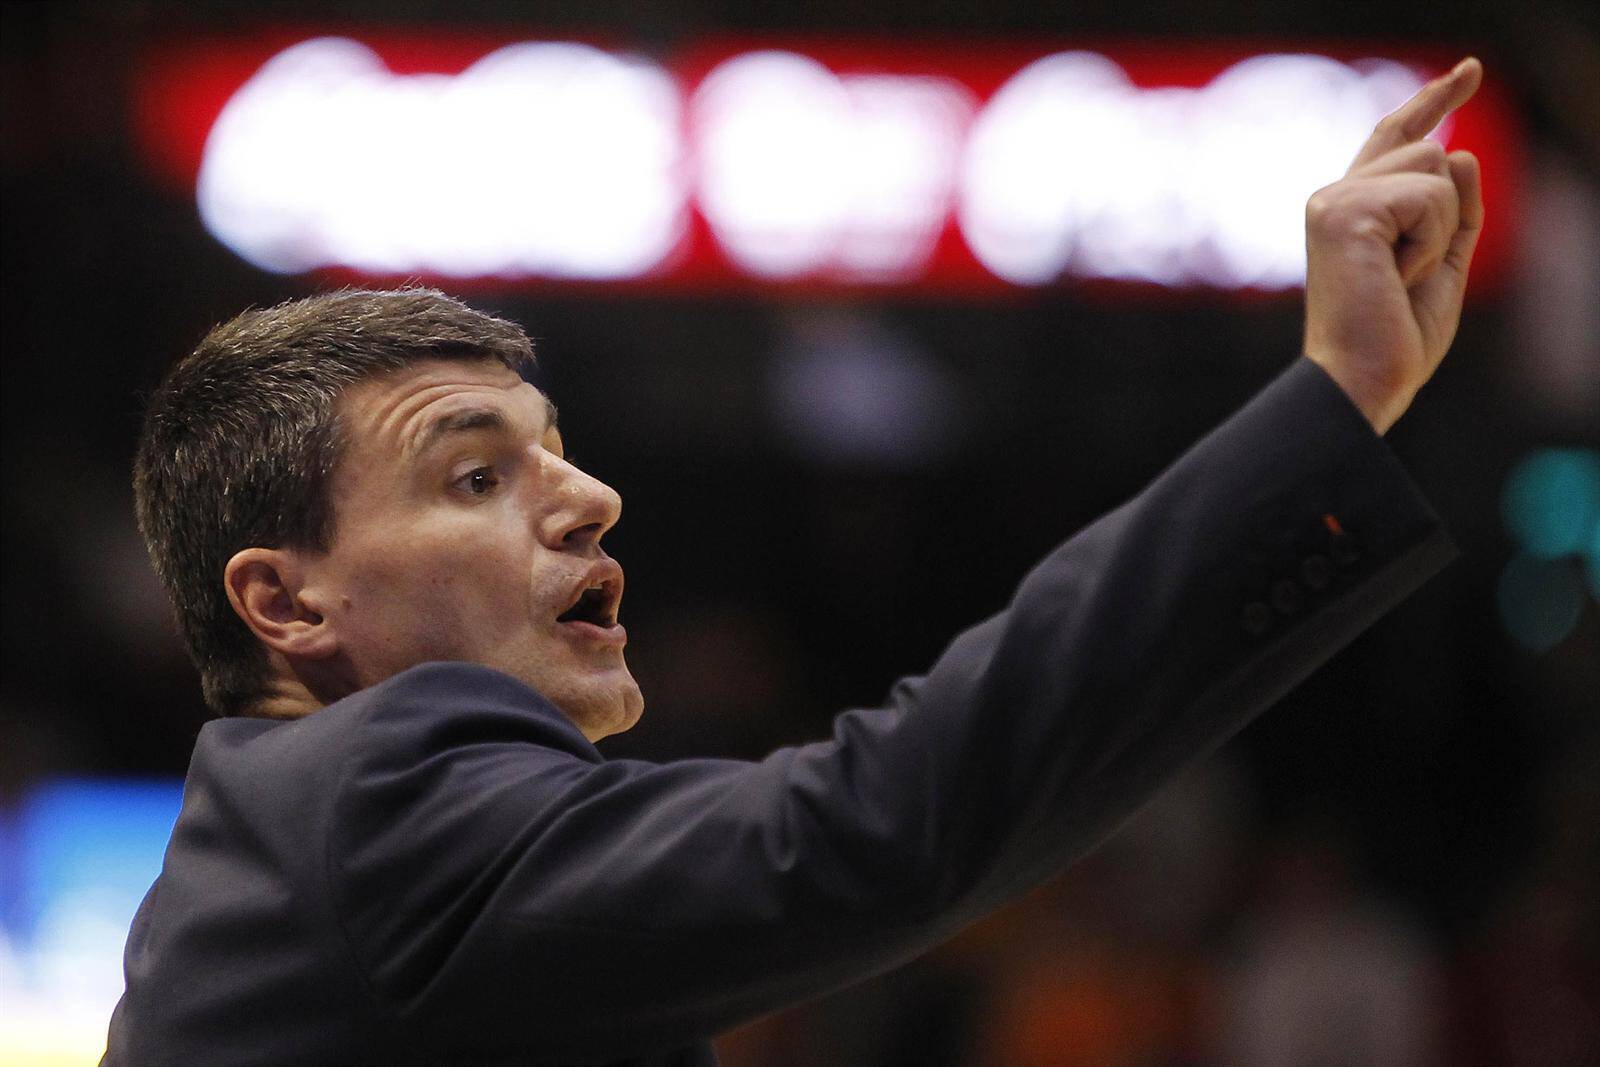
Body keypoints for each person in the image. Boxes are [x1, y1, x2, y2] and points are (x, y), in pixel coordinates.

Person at [105, 59, 1486, 1065]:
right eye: (477, 475)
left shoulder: (291, 873)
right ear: (285, 603)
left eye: (557, 451)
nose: (587, 498)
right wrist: (1334, 398)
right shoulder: (371, 804)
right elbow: (870, 824)